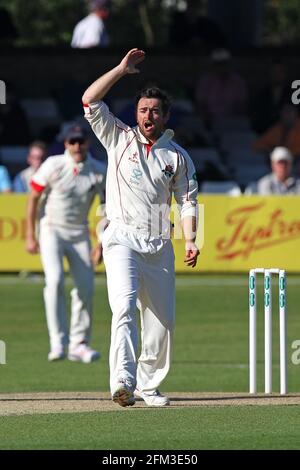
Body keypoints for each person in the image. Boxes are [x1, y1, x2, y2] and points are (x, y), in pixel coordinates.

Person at [82, 48, 200, 407]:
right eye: (143, 110)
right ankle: (123, 380)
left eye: (154, 111)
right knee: (124, 305)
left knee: (161, 322)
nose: (148, 116)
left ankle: (149, 386)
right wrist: (120, 69)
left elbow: (188, 202)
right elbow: (89, 99)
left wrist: (192, 238)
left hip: (159, 243)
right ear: (136, 114)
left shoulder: (177, 156)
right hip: (121, 238)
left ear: (165, 116)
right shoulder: (118, 136)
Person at [26, 124, 106, 363]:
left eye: (81, 141)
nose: (77, 146)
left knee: (86, 287)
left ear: (87, 143)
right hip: (51, 229)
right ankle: (57, 341)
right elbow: (33, 199)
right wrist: (31, 234)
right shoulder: (53, 165)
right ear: (66, 144)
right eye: (72, 142)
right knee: (55, 280)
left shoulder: (98, 171)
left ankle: (78, 344)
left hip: (79, 232)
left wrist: (101, 243)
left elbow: (105, 209)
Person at [195, 48, 248, 126]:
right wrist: (207, 116)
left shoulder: (238, 81)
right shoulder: (205, 81)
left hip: (233, 122)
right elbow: (200, 104)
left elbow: (243, 104)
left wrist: (232, 114)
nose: (221, 67)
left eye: (224, 63)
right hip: (209, 123)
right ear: (213, 65)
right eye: (218, 64)